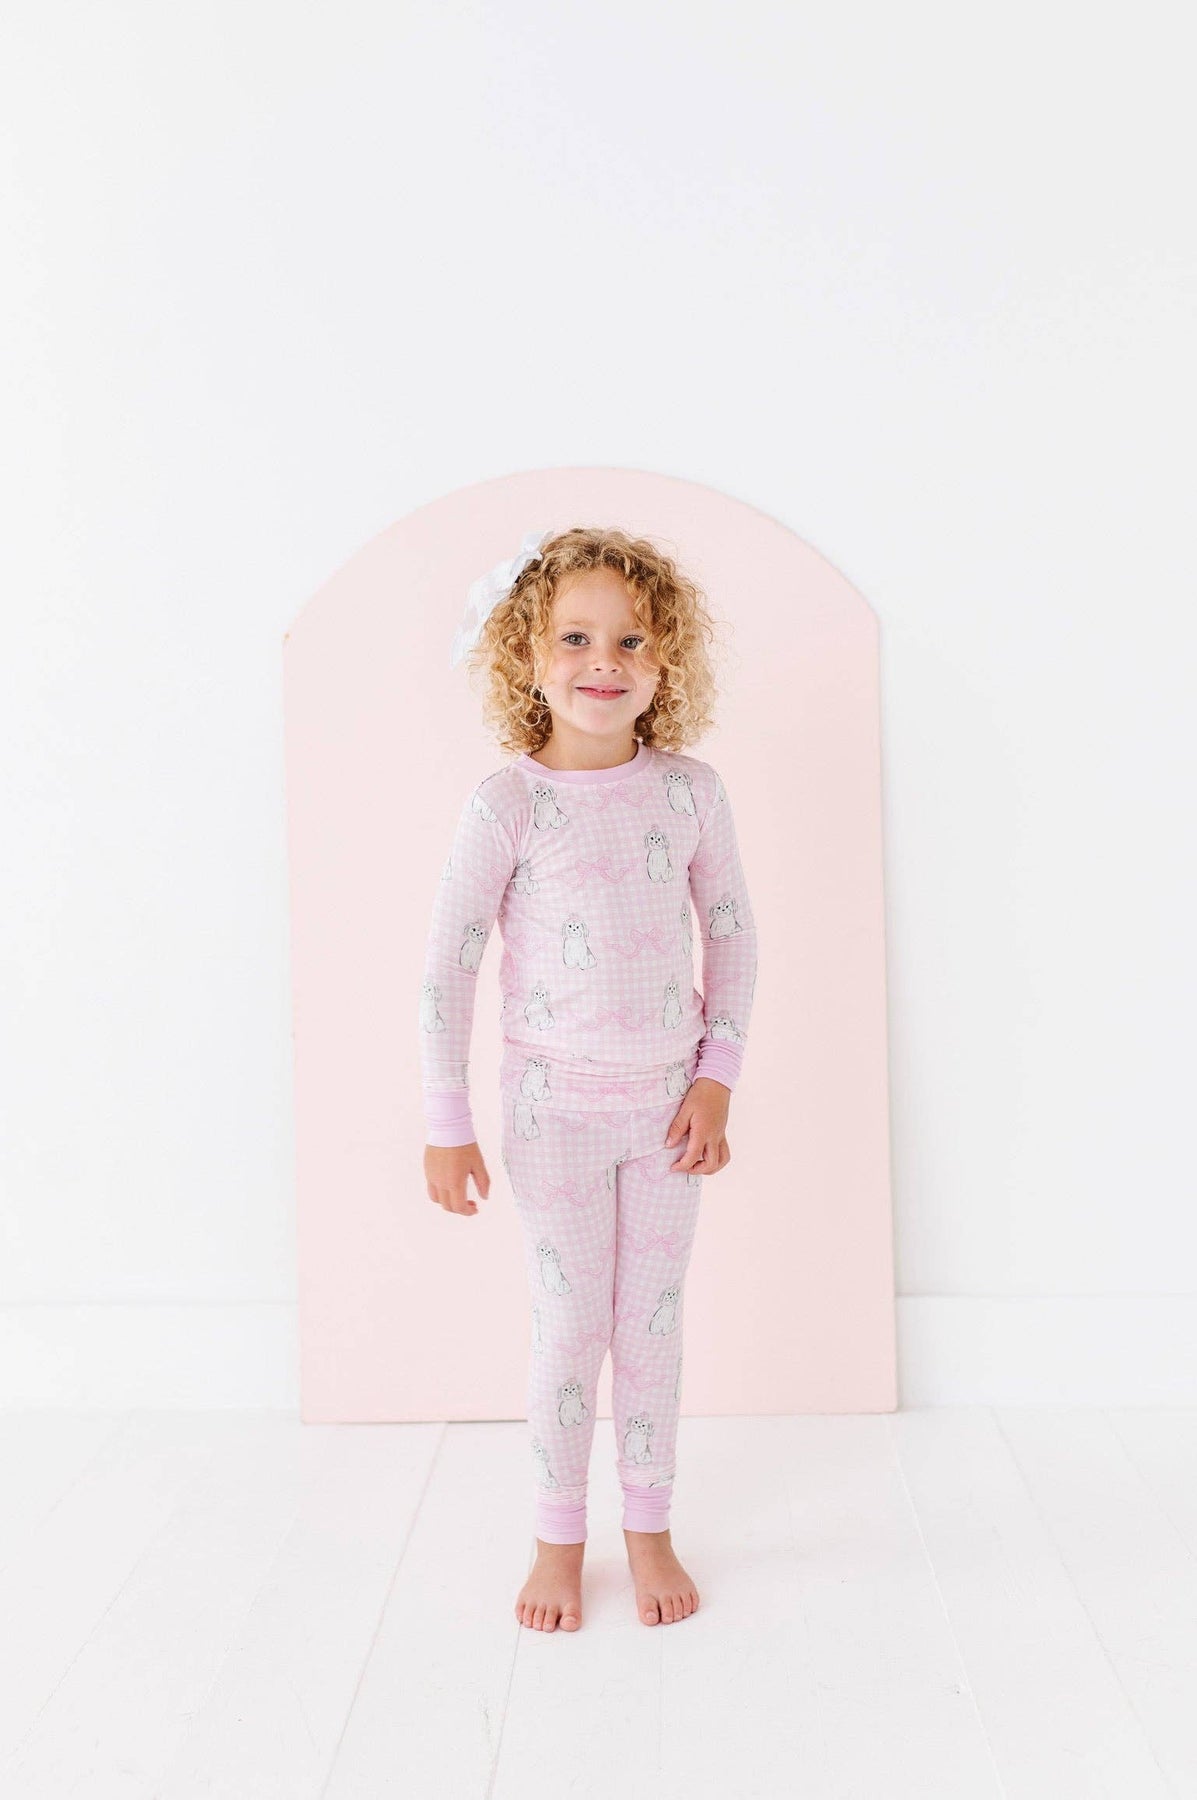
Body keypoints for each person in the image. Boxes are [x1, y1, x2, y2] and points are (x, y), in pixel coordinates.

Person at [419, 524, 758, 1633]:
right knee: (571, 1328)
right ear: (528, 656)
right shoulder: (505, 806)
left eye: (632, 640)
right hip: (551, 1113)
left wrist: (716, 1077)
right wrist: (447, 1120)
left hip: (668, 1117)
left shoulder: (691, 793)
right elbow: (448, 965)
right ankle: (557, 1538)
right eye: (574, 637)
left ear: (666, 664)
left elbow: (732, 933)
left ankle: (648, 1527)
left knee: (651, 1328)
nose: (603, 660)